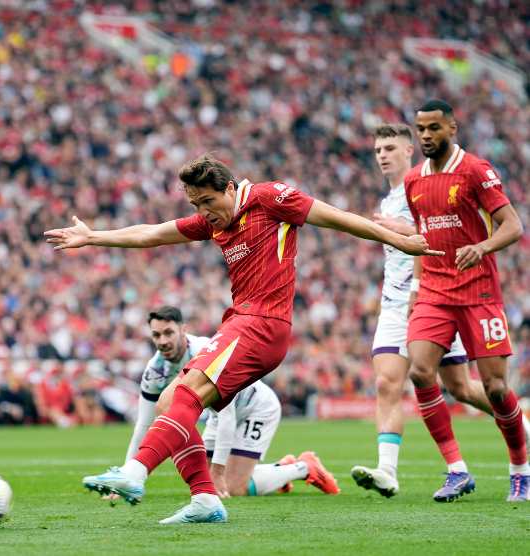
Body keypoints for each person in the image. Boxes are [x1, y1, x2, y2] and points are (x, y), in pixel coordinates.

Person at [46, 153, 441, 523]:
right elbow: (152, 233)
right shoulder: (214, 221)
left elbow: (337, 218)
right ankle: (204, 499)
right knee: (172, 400)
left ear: (230, 189)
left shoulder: (271, 198)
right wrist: (94, 236)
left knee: (183, 395)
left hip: (262, 323)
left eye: (207, 201)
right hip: (243, 321)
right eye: (195, 205)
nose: (203, 213)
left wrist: (397, 240)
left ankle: (135, 473)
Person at [351, 123, 530, 497]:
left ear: (408, 150)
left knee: (469, 388)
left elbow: (424, 238)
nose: (382, 155)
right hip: (406, 301)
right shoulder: (393, 197)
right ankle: (393, 470)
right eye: (377, 149)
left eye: (389, 148)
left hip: (456, 292)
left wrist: (401, 237)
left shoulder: (443, 181)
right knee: (393, 379)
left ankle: (521, 433)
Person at [404, 99, 527, 502]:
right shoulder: (413, 180)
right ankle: (457, 470)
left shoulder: (476, 170)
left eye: (434, 128)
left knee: (494, 388)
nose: (426, 135)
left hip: (479, 292)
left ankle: (520, 470)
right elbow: (424, 241)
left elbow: (513, 225)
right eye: (421, 129)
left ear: (452, 128)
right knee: (421, 373)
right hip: (436, 293)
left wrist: (483, 247)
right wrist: (417, 290)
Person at [123, 306, 338, 500]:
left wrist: (218, 471)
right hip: (218, 416)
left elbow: (228, 415)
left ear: (183, 330)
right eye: (156, 335)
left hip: (256, 407)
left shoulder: (205, 352)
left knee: (233, 487)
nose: (163, 341)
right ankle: (281, 469)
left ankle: (303, 467)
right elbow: (143, 424)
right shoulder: (155, 371)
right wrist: (127, 475)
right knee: (202, 479)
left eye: (168, 332)